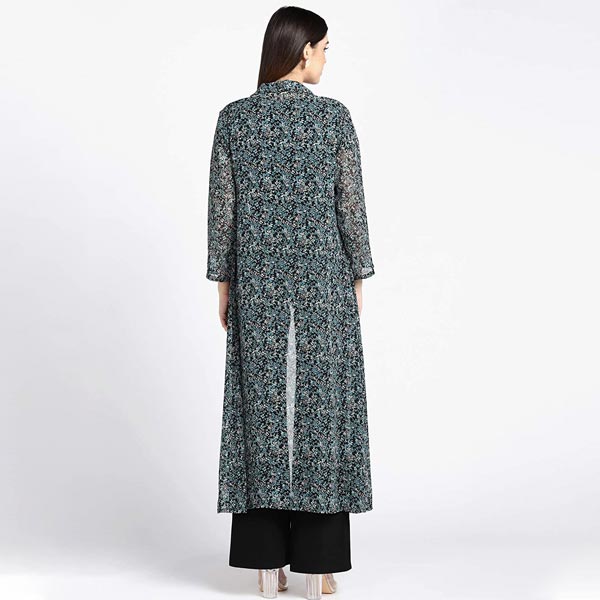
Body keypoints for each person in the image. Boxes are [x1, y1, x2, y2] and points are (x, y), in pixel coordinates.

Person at [206, 6, 375, 599]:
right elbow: (350, 206)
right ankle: (319, 567)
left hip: (257, 284)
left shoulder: (234, 120)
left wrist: (224, 286)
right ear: (304, 50)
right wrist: (358, 277)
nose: (326, 59)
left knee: (259, 411)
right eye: (324, 48)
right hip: (323, 284)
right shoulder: (333, 118)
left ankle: (265, 563)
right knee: (322, 414)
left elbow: (222, 213)